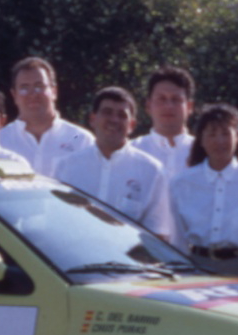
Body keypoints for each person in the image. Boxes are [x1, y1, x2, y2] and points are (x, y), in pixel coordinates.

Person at [168, 102, 238, 276]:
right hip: (196, 268)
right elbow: (178, 240)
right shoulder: (181, 184)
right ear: (201, 140)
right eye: (212, 134)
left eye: (226, 134)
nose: (219, 141)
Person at [56, 86, 175, 238]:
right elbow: (57, 224)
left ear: (132, 125)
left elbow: (159, 235)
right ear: (93, 119)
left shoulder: (152, 172)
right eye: (107, 112)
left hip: (129, 260)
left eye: (122, 115)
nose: (114, 120)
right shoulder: (67, 167)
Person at [1, 56, 95, 176]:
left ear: (54, 91)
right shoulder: (0, 140)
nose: (32, 94)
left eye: (39, 86)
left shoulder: (80, 140)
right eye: (24, 88)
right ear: (14, 95)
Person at [136, 66, 196, 177]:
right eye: (161, 99)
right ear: (148, 105)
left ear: (189, 107)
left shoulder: (205, 152)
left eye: (176, 99)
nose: (168, 106)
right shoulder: (133, 152)